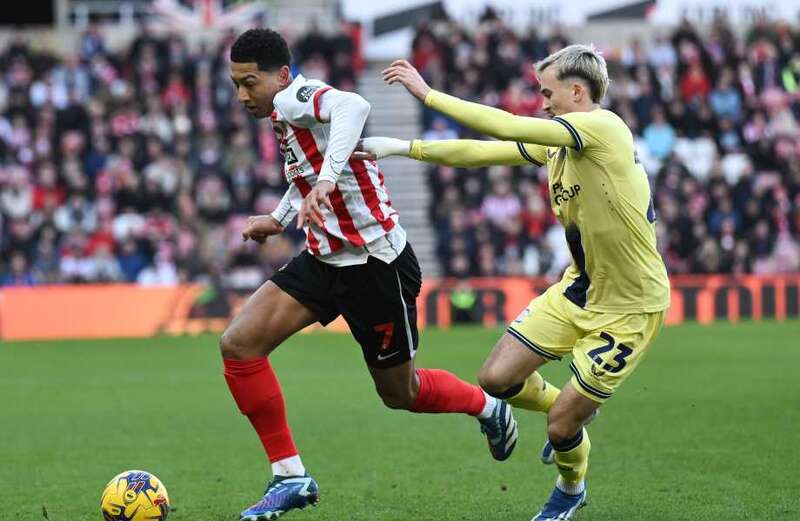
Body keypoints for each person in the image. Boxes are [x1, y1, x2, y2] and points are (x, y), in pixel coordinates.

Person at [357, 44, 671, 521]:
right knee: (496, 379)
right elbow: (483, 153)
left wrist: (428, 96)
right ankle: (567, 410)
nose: (542, 101)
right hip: (579, 290)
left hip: (630, 307)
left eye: (548, 93)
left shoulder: (603, 128)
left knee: (562, 425)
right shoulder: (561, 143)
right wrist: (406, 148)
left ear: (577, 91)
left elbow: (506, 125)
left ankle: (570, 486)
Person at [220, 29, 517, 521]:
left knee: (401, 394)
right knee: (239, 345)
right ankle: (290, 475)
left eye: (250, 82)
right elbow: (307, 172)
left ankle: (487, 407)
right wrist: (280, 217)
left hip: (375, 264)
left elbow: (354, 106)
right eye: (236, 84)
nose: (242, 95)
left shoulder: (297, 96)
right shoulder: (282, 111)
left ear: (283, 75)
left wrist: (329, 180)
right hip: (324, 259)